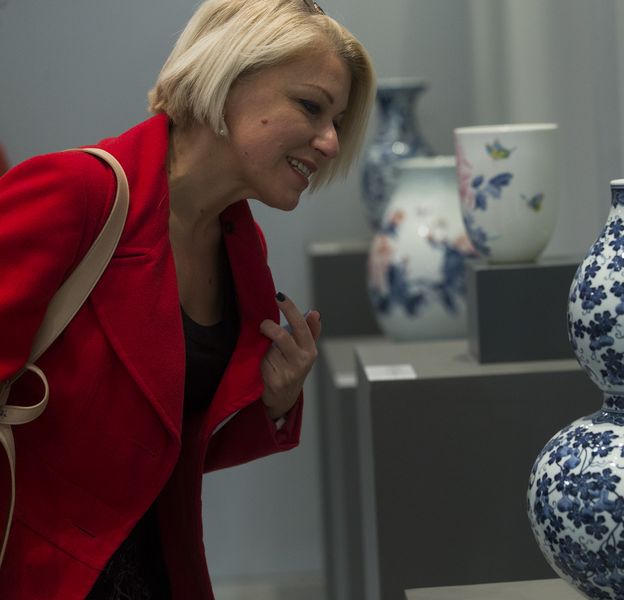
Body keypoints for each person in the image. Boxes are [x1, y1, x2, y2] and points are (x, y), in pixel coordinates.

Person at [0, 0, 374, 597]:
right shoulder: (75, 193)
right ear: (226, 77)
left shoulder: (239, 245)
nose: (331, 143)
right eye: (311, 106)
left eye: (337, 120)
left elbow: (157, 446)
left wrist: (273, 400)